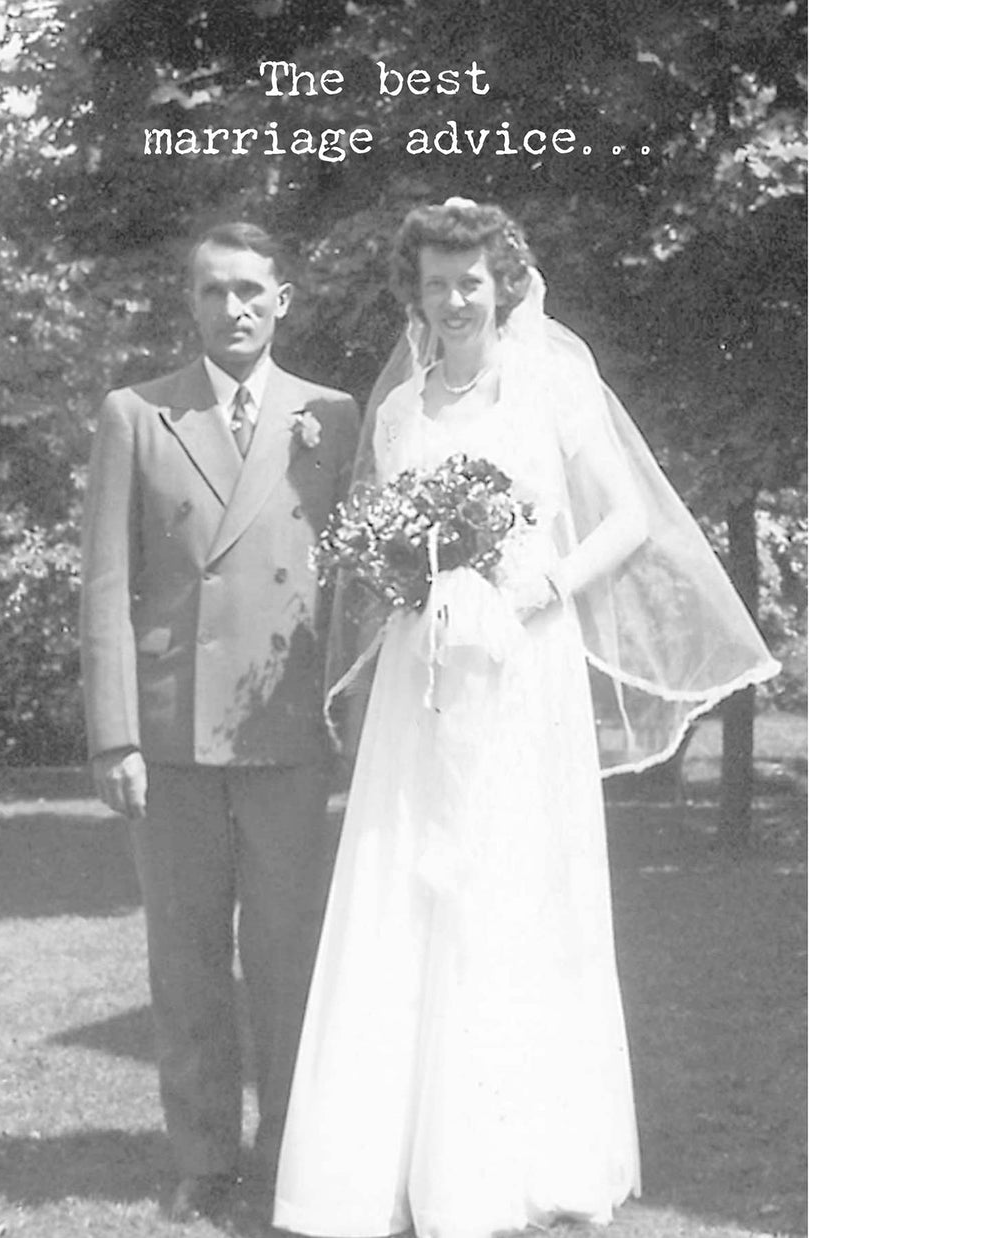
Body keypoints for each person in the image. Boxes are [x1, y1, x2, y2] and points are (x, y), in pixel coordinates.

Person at [273, 200, 780, 1238]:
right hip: (425, 673)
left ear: (502, 283)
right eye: (435, 283)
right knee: (408, 875)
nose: (454, 299)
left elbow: (628, 517)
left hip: (523, 660)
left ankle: (516, 1159)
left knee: (513, 876)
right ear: (414, 294)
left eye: (470, 280)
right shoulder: (398, 413)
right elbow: (381, 540)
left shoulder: (553, 384)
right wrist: (409, 578)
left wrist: (546, 585)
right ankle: (383, 1163)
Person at [79, 222, 361, 1224]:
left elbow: (355, 585)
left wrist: (357, 717)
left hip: (288, 732)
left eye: (250, 290)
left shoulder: (333, 415)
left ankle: (287, 1151)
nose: (232, 308)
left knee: (288, 955)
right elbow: (106, 586)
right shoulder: (137, 414)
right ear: (189, 303)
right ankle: (202, 1157)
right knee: (187, 955)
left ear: (282, 300)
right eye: (212, 291)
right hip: (172, 736)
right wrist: (114, 734)